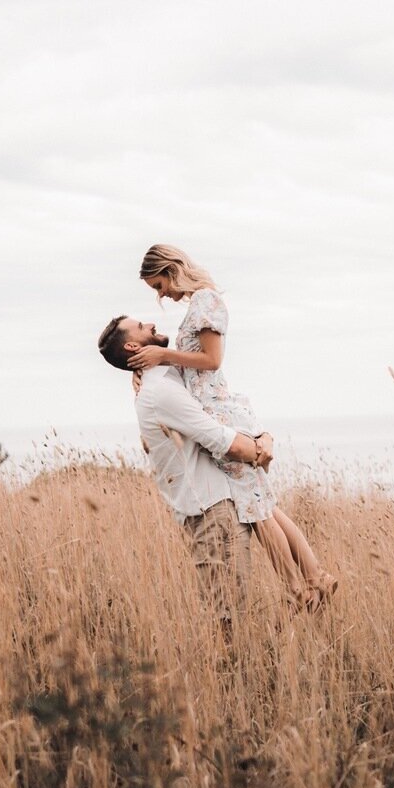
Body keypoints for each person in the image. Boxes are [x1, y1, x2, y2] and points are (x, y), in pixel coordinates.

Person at [130, 244, 337, 613]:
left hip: (220, 413)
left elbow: (211, 360)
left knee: (255, 510)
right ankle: (315, 577)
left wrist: (162, 355)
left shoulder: (206, 300)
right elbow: (193, 368)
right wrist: (146, 371)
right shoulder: (197, 304)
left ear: (171, 269)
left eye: (159, 285)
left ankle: (302, 587)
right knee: (264, 506)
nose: (161, 296)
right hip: (215, 410)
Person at [97, 314, 274, 622]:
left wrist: (138, 369)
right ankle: (230, 671)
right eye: (141, 327)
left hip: (214, 510)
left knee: (233, 610)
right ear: (133, 344)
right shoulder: (159, 393)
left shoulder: (163, 379)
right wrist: (261, 447)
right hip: (210, 514)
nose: (151, 323)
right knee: (229, 617)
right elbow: (220, 439)